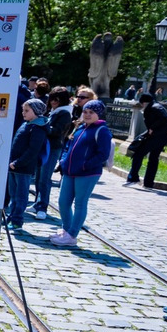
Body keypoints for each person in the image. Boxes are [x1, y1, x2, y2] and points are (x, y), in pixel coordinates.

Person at [50, 99, 113, 247]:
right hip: (70, 171)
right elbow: (68, 146)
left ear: (99, 114)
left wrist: (85, 165)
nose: (87, 114)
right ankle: (66, 230)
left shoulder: (102, 130)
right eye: (85, 111)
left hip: (87, 174)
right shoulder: (80, 128)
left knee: (80, 203)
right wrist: (64, 161)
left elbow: (103, 154)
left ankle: (72, 235)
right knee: (63, 202)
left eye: (91, 112)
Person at [5, 99, 49, 231]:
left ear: (36, 111)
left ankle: (17, 220)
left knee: (20, 196)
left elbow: (32, 150)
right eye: (23, 110)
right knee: (13, 194)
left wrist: (18, 163)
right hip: (13, 166)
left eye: (27, 110)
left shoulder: (38, 128)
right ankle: (11, 217)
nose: (23, 113)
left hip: (23, 168)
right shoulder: (26, 124)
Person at [33, 86, 75, 220]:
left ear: (63, 100)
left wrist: (41, 124)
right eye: (52, 99)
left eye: (57, 100)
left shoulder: (64, 113)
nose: (53, 102)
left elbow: (56, 131)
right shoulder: (53, 111)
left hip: (52, 148)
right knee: (39, 177)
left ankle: (42, 206)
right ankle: (37, 203)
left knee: (45, 178)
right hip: (44, 146)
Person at [126, 92, 167, 188]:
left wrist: (152, 128)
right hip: (163, 136)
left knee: (139, 153)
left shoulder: (154, 107)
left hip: (157, 136)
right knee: (153, 158)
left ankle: (133, 178)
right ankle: (148, 183)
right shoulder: (156, 106)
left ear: (144, 102)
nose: (142, 106)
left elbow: (163, 118)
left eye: (142, 103)